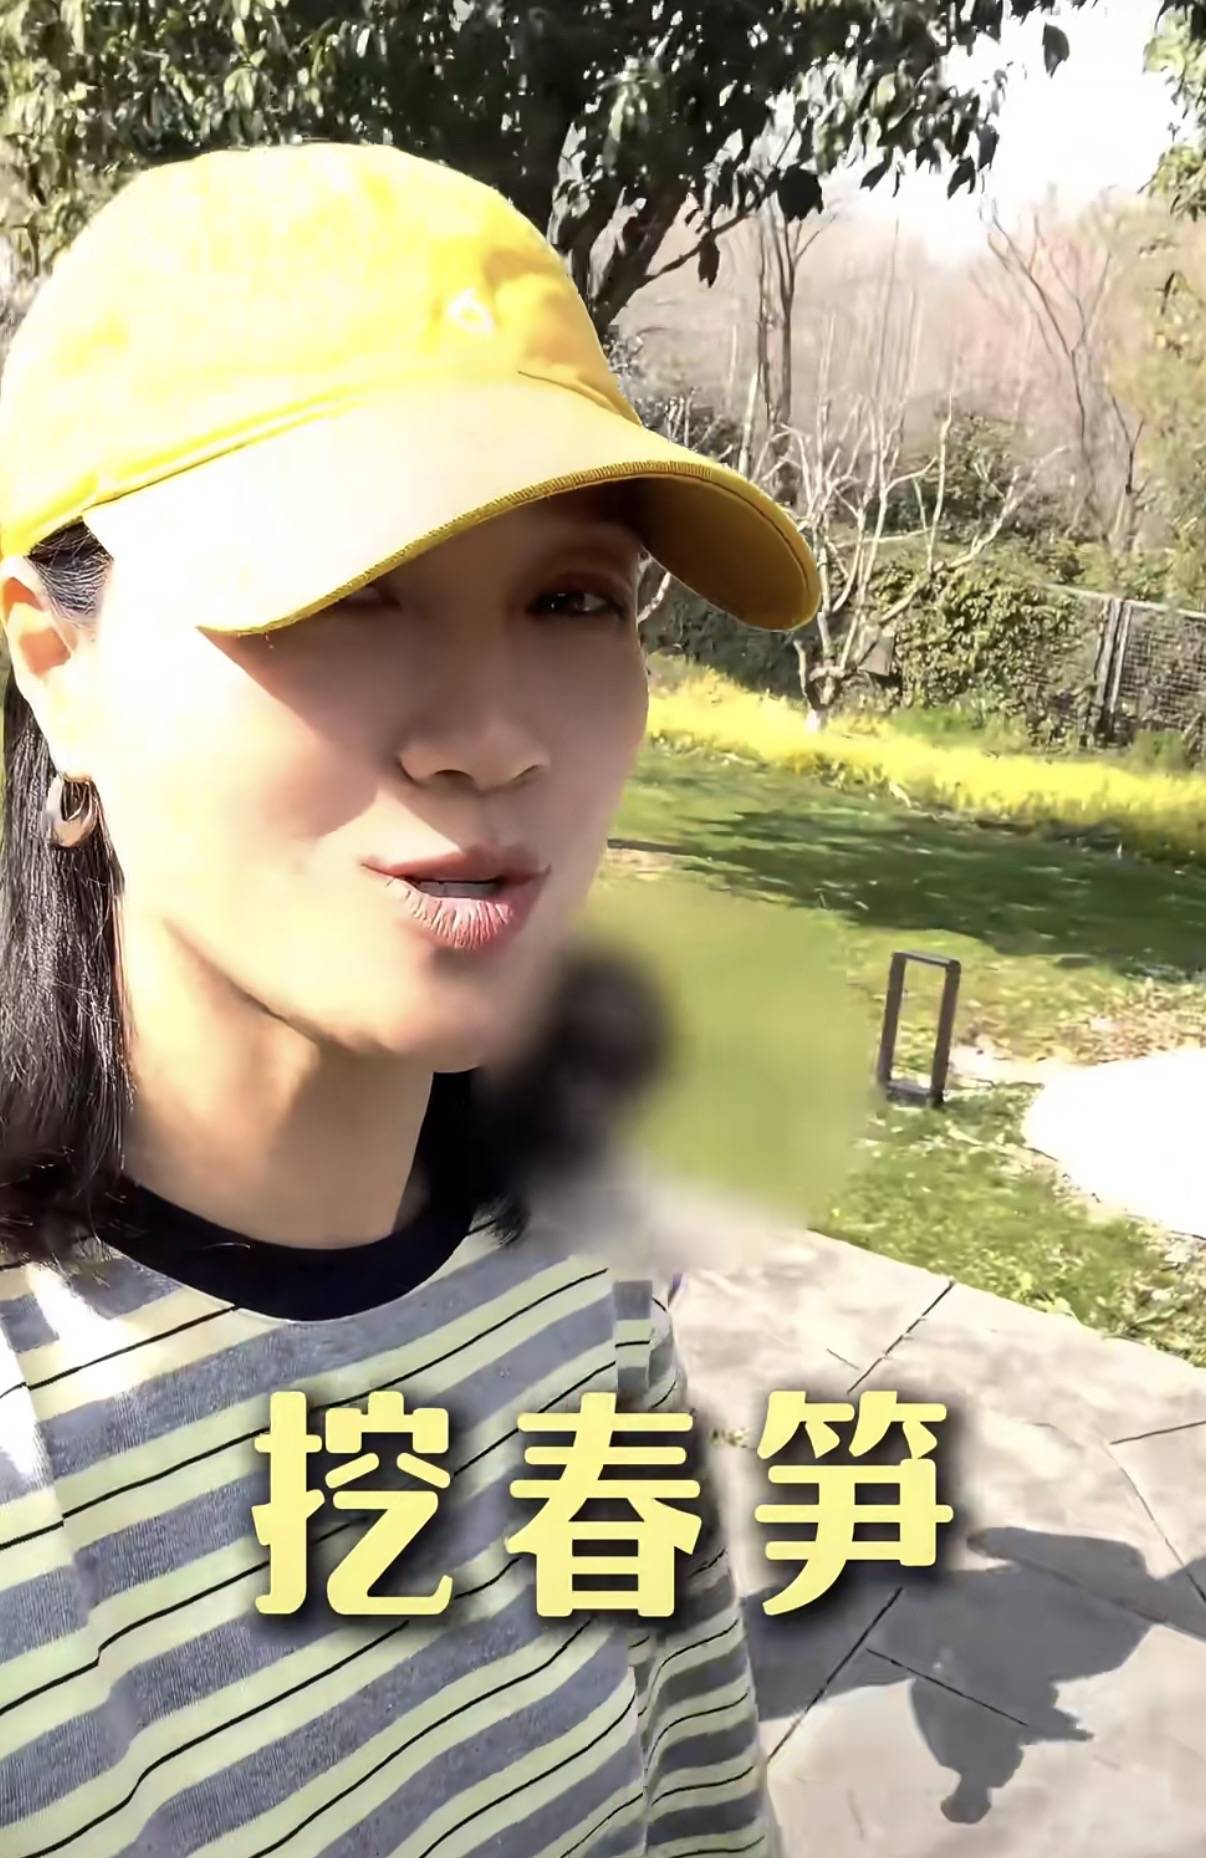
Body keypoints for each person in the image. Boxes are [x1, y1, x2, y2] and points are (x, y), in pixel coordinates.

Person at [0, 142, 819, 1857]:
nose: (494, 733)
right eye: (341, 591)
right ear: (57, 665)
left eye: (570, 598)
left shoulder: (586, 1282)